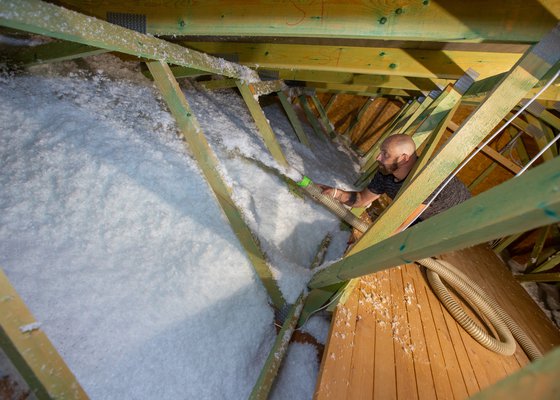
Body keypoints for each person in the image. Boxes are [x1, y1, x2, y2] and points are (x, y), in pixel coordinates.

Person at [322, 134, 471, 229]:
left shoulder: (427, 178)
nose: (378, 158)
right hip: (426, 217)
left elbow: (401, 225)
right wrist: (335, 193)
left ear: (403, 158)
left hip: (460, 221)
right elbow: (361, 199)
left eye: (385, 154)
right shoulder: (386, 171)